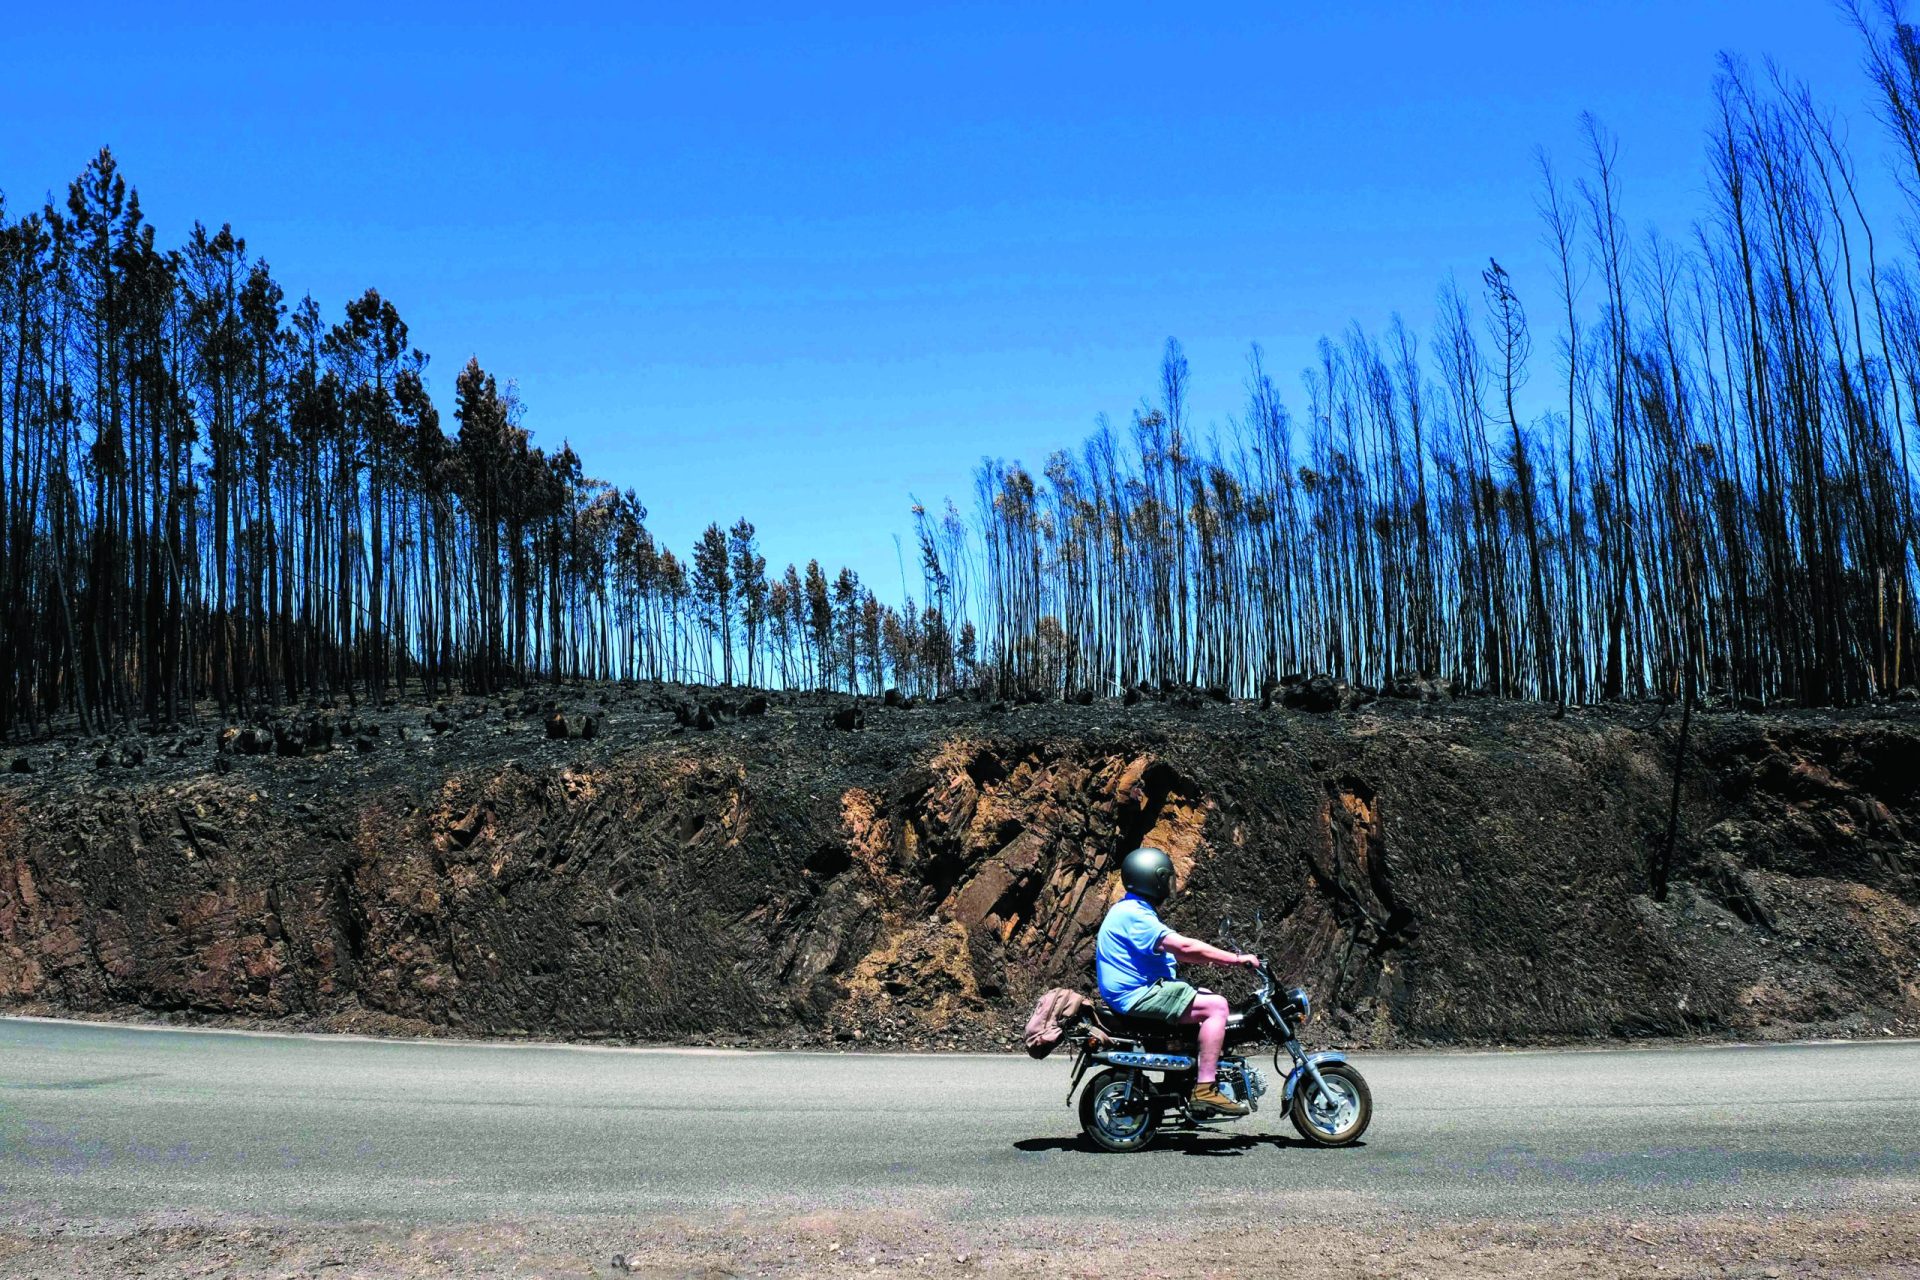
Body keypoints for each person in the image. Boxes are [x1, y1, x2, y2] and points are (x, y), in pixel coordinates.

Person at [1093, 846, 1261, 1117]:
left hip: (1138, 990)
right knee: (1216, 1007)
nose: (1169, 885)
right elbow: (1183, 947)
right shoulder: (1135, 915)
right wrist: (1235, 959)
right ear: (1153, 878)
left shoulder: (1130, 910)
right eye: (1166, 878)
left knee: (1203, 995)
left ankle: (1185, 1078)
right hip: (1138, 994)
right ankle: (1205, 1088)